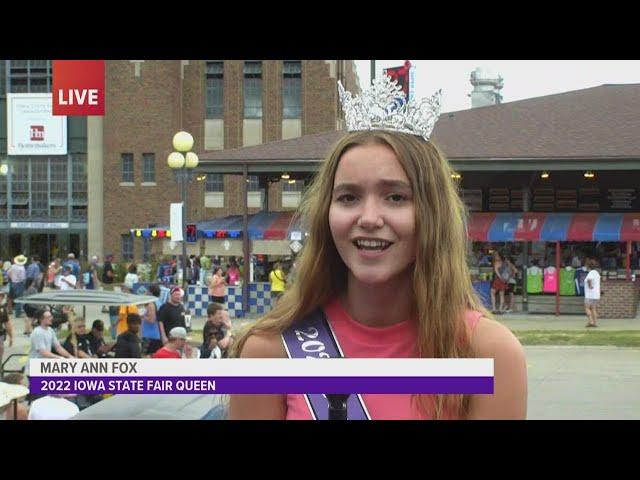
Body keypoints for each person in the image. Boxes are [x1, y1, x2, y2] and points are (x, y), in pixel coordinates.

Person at [229, 78, 526, 419]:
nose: (368, 218)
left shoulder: (489, 354)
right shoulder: (269, 352)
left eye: (396, 197)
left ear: (432, 214)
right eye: (349, 197)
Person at [26, 309, 74, 380]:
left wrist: (70, 356)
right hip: (35, 368)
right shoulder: (38, 332)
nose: (51, 318)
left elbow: (58, 347)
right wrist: (59, 358)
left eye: (51, 316)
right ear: (41, 319)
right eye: (48, 317)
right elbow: (43, 351)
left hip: (45, 367)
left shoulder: (50, 330)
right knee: (37, 390)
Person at [141, 284, 163, 356]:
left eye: (147, 291)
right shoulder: (160, 303)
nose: (146, 292)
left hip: (149, 335)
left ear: (151, 292)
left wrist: (142, 316)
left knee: (146, 356)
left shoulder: (151, 304)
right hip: (157, 334)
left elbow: (152, 320)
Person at [7, 254, 27, 319]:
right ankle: (18, 314)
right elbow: (23, 278)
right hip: (19, 283)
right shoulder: (22, 268)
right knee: (19, 298)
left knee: (11, 297)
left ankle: (10, 310)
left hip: (13, 283)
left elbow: (8, 273)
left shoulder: (13, 266)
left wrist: (12, 278)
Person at [584, 259, 601, 328]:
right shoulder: (597, 273)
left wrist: (590, 286)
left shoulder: (591, 273)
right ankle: (595, 322)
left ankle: (590, 321)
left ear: (589, 266)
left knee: (587, 307)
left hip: (590, 294)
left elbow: (589, 279)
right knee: (593, 308)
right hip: (596, 294)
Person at [0, 290, 14, 368]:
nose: (1, 298)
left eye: (2, 296)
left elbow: (7, 323)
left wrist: (11, 337)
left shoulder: (2, 309)